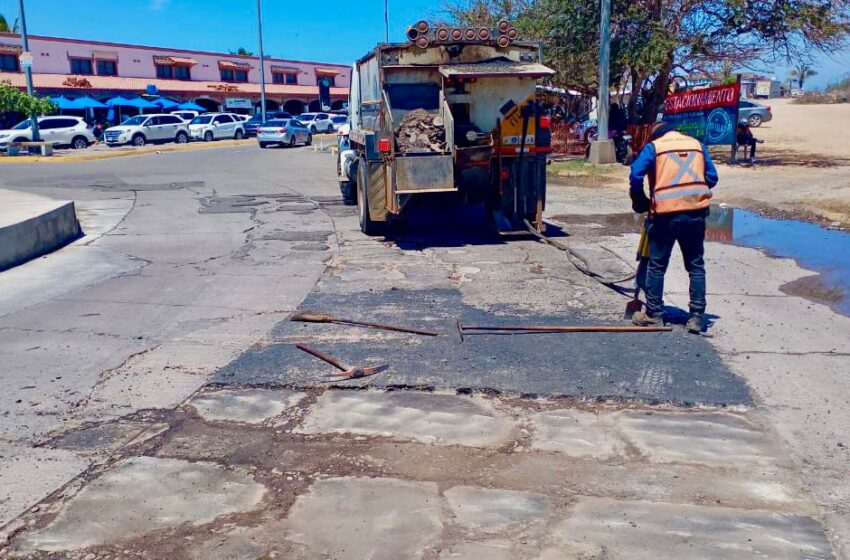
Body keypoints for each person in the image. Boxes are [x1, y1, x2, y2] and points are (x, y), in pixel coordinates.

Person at [628, 122, 719, 333]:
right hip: (696, 213)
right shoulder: (697, 145)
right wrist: (691, 188)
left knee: (657, 266)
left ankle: (654, 315)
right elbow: (712, 177)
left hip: (665, 215)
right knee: (695, 265)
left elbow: (635, 175)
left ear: (656, 135)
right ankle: (697, 317)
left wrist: (639, 198)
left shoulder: (655, 147)